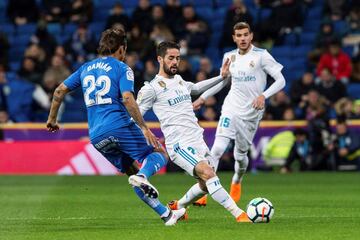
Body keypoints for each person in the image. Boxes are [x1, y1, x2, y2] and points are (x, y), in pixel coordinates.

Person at [46, 28, 186, 226]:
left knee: (132, 173)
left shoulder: (86, 68)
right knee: (159, 154)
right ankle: (144, 175)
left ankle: (167, 215)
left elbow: (59, 91)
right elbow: (128, 98)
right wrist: (144, 128)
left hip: (96, 135)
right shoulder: (122, 68)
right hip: (118, 125)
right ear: (121, 48)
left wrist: (52, 120)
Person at [137, 41, 251, 223]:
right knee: (209, 174)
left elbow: (196, 88)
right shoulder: (151, 88)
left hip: (197, 139)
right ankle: (239, 214)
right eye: (171, 58)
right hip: (179, 144)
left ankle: (178, 206)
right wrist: (143, 132)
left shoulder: (179, 80)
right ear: (160, 59)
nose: (175, 62)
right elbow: (136, 114)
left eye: (178, 58)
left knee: (206, 184)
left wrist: (221, 77)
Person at [192, 22, 286, 205]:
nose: (242, 38)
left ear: (251, 36)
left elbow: (281, 80)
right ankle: (205, 190)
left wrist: (263, 95)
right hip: (231, 108)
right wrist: (203, 97)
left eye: (245, 35)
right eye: (239, 35)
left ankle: (237, 180)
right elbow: (223, 81)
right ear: (234, 38)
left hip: (251, 113)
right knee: (217, 149)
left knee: (240, 156)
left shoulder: (262, 56)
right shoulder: (229, 56)